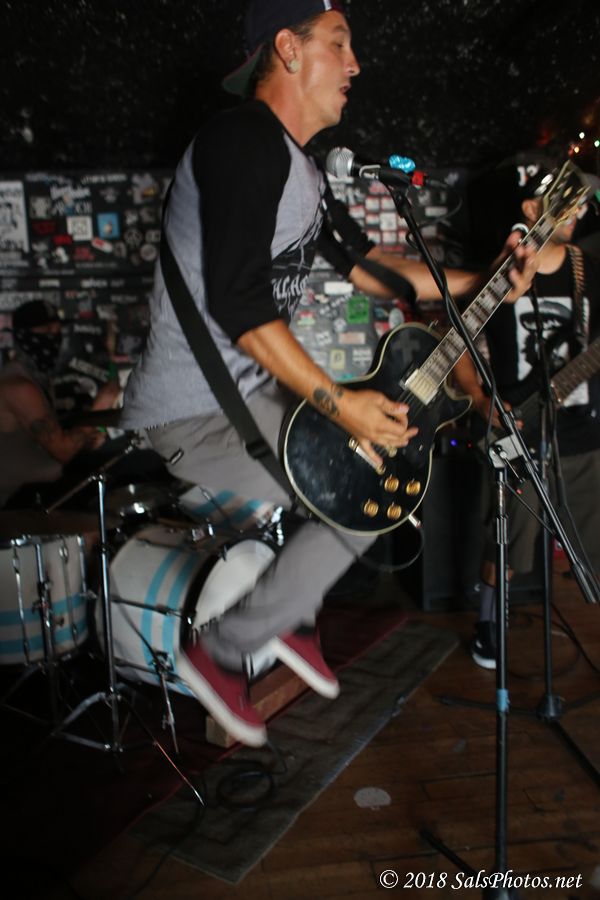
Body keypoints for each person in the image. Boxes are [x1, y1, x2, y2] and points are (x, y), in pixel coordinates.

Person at [121, 0, 535, 745]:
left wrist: (494, 279)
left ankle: (288, 615)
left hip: (245, 398)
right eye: (339, 44)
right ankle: (223, 652)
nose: (355, 64)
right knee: (363, 484)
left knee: (380, 479)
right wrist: (341, 405)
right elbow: (240, 304)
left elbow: (374, 271)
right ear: (288, 48)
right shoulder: (240, 140)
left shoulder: (302, 169)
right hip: (191, 411)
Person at [454, 165, 600, 669]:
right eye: (563, 200)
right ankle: (489, 626)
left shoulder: (591, 271)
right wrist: (481, 401)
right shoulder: (502, 273)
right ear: (531, 209)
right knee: (507, 547)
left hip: (582, 433)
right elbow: (456, 346)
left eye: (580, 202)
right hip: (514, 431)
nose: (576, 210)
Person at [0, 299, 120, 508]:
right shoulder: (20, 387)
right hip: (20, 499)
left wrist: (88, 439)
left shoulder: (36, 379)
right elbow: (62, 452)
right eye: (46, 330)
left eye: (57, 331)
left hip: (43, 488)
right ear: (23, 336)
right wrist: (100, 407)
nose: (54, 337)